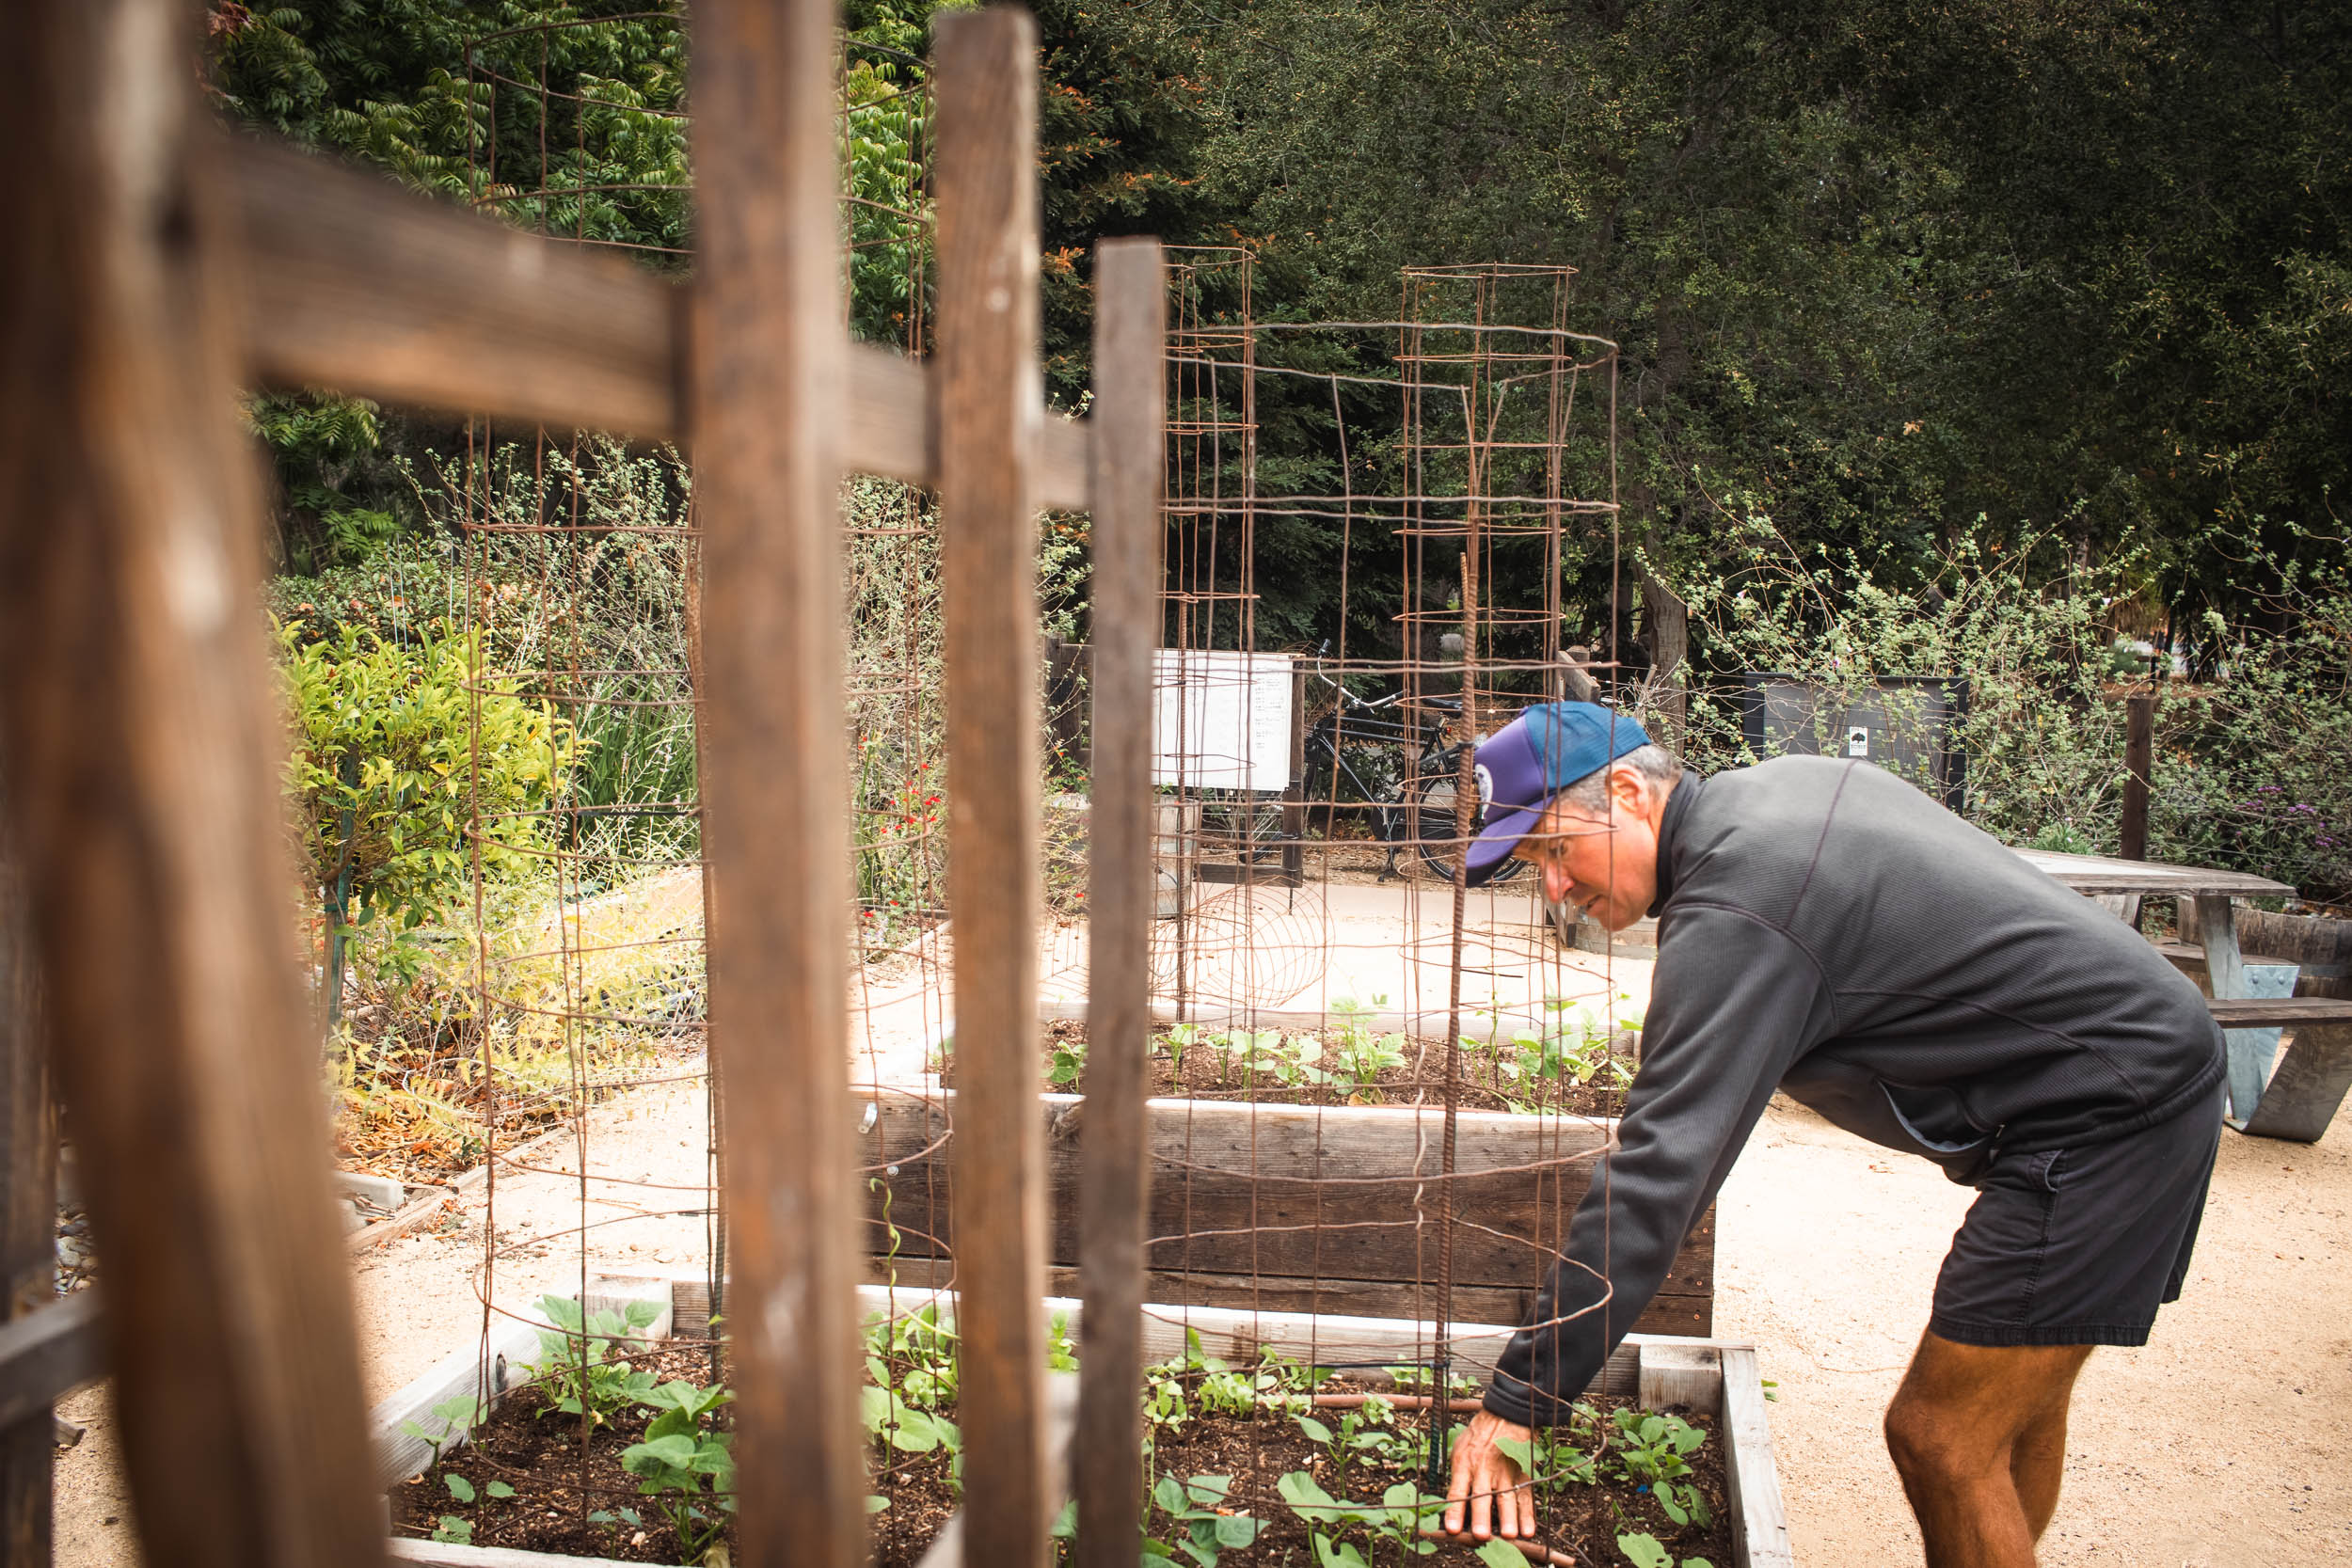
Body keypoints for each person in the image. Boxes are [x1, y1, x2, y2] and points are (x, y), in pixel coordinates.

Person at [1439, 702, 2222, 1567]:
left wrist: (1523, 1393)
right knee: (2003, 1417)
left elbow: (1662, 1169)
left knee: (1941, 1436)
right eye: (1530, 865)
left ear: (1628, 790)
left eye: (1554, 848)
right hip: (2134, 1067)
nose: (1554, 885)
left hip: (2106, 1110)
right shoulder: (1766, 802)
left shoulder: (1741, 905)